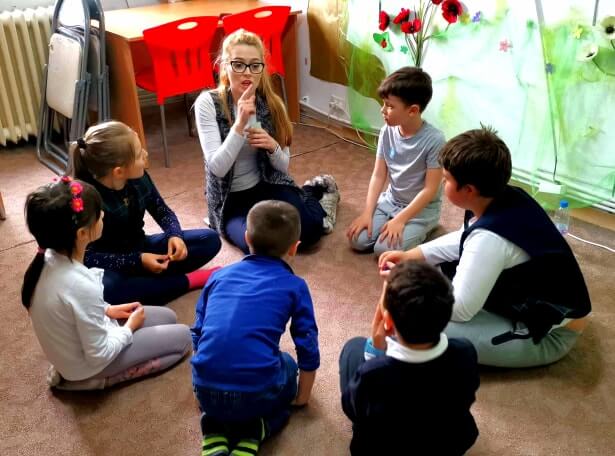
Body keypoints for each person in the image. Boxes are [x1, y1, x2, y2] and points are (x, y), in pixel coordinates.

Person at [379, 126, 592, 368]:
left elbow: (460, 311)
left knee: (416, 326)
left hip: (550, 334)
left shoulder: (489, 239)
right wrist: (412, 255)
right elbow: (464, 238)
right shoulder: (501, 196)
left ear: (469, 190)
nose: (442, 184)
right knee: (441, 273)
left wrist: (406, 290)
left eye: (446, 180)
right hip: (530, 291)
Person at [22, 177, 191, 390]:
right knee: (184, 338)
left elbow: (72, 308)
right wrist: (129, 328)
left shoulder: (48, 258)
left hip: (83, 344)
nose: (103, 215)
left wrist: (108, 310)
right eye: (99, 214)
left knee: (169, 317)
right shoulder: (79, 284)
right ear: (82, 233)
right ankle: (93, 382)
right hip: (90, 365)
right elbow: (99, 354)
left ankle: (82, 373)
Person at [191, 200, 319, 455]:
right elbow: (307, 343)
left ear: (247, 237)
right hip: (256, 395)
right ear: (294, 248)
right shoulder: (295, 285)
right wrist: (302, 398)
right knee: (288, 364)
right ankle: (258, 429)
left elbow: (198, 332)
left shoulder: (218, 276)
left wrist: (202, 384)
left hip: (205, 390)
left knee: (226, 376)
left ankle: (214, 427)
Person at [195, 28, 339, 254]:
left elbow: (283, 166)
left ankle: (312, 191)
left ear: (262, 69)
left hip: (266, 184)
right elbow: (218, 168)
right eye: (238, 64)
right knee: (260, 247)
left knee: (310, 231)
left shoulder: (271, 105)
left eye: (254, 65)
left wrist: (272, 146)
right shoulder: (208, 103)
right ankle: (303, 198)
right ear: (224, 66)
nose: (247, 73)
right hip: (230, 200)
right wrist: (239, 123)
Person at [70, 120, 222, 306]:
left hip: (141, 246)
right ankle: (187, 281)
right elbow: (86, 256)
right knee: (107, 290)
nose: (146, 154)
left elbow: (162, 210)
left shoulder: (139, 177)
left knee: (210, 239)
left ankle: (150, 282)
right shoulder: (86, 198)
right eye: (139, 154)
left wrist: (175, 235)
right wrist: (138, 260)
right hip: (109, 265)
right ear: (118, 171)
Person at [339, 261, 479, 455]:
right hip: (449, 443)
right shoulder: (465, 352)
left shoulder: (372, 374)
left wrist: (374, 350)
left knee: (353, 348)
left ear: (387, 321)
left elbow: (351, 408)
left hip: (384, 447)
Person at [346, 66, 445, 256]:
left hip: (420, 210)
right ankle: (392, 222)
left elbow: (429, 190)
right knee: (357, 240)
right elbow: (378, 175)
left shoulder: (435, 140)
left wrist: (401, 220)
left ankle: (427, 228)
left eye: (390, 106)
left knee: (384, 250)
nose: (383, 110)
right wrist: (367, 212)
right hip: (391, 201)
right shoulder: (386, 131)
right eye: (383, 104)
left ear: (413, 110)